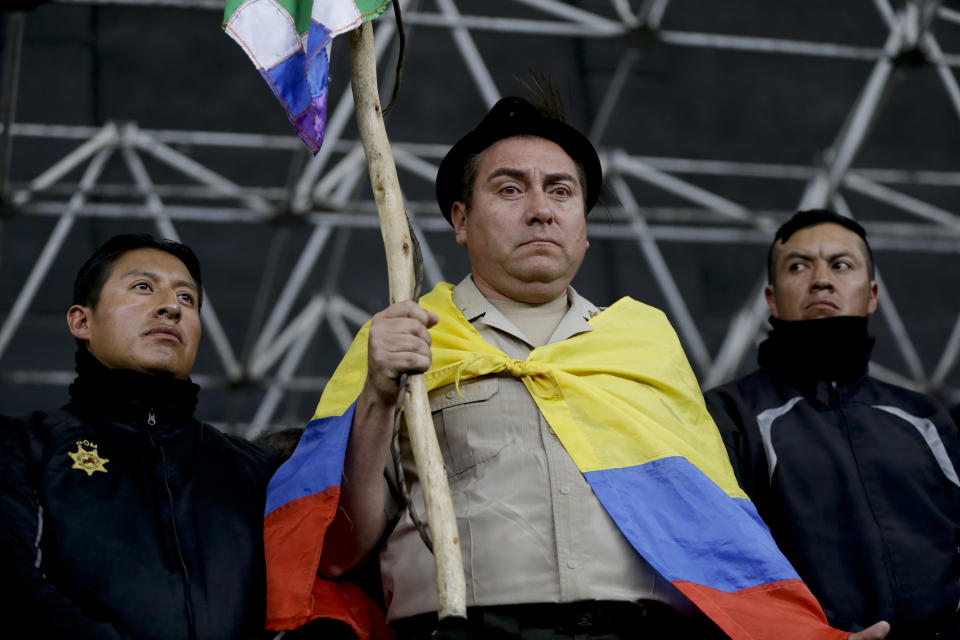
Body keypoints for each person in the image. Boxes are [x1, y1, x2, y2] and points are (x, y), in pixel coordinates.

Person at [264, 98, 888, 639]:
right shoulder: (406, 339)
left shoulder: (641, 341)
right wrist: (376, 397)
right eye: (510, 189)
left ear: (584, 228)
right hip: (459, 632)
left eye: (561, 191)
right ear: (460, 219)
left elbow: (713, 529)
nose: (541, 210)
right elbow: (341, 552)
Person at [0, 234, 282, 639]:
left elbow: (308, 601)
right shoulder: (22, 445)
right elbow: (13, 586)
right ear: (82, 321)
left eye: (187, 299)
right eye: (143, 287)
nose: (171, 307)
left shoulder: (261, 471)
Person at [704, 209, 960, 638]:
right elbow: (716, 563)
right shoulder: (728, 414)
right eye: (799, 266)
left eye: (841, 265)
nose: (821, 280)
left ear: (872, 294)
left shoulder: (925, 418)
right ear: (771, 298)